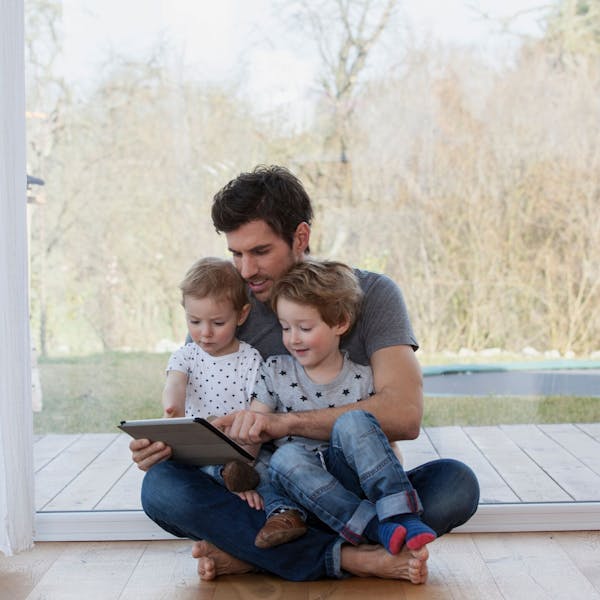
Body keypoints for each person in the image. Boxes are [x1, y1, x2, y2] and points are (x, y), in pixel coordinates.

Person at [131, 165, 480, 584]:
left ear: (300, 237)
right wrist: (169, 446)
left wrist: (286, 423)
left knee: (456, 483)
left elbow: (405, 414)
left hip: (352, 481)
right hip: (267, 495)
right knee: (161, 487)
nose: (245, 271)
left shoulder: (372, 294)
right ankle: (353, 557)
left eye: (259, 252)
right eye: (235, 254)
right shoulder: (228, 308)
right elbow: (203, 411)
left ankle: (256, 554)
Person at [250, 259, 437, 554]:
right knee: (284, 458)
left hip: (352, 479)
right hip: (302, 492)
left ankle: (400, 516)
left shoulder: (362, 378)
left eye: (305, 327)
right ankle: (375, 529)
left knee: (354, 421)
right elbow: (253, 425)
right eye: (285, 327)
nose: (292, 338)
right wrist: (228, 433)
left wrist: (388, 466)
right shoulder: (274, 371)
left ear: (340, 323)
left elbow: (381, 445)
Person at [163, 256, 308, 540]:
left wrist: (247, 457)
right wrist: (173, 409)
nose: (204, 333)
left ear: (241, 315)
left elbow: (259, 407)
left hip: (245, 447)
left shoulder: (249, 358)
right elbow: (175, 383)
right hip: (202, 449)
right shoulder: (186, 355)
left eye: (218, 322)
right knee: (199, 471)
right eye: (194, 321)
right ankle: (234, 480)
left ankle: (282, 515)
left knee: (269, 472)